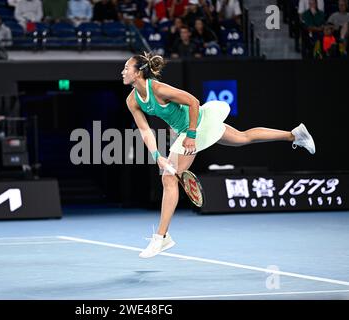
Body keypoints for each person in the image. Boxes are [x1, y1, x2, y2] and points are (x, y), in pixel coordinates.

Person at [121, 52, 316, 258]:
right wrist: (157, 155)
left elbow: (193, 102)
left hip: (196, 126)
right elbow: (144, 130)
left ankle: (161, 237)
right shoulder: (132, 100)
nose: (122, 71)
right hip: (191, 128)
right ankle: (294, 135)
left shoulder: (159, 89)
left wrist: (191, 135)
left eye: (126, 67)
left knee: (169, 178)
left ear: (138, 73)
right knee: (242, 138)